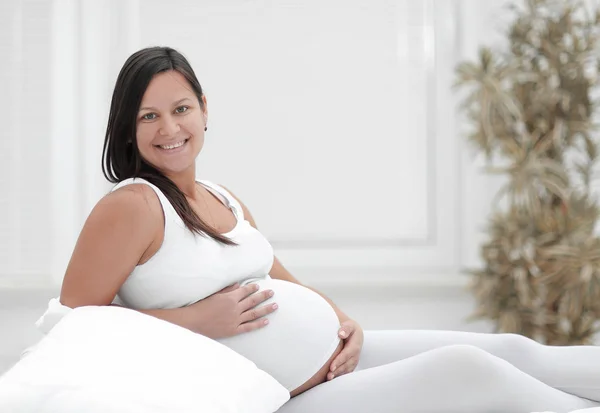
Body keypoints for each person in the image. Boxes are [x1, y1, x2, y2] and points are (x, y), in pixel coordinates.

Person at [56, 46, 600, 413]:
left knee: (514, 350)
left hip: (329, 361)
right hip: (279, 397)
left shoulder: (222, 196)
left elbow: (284, 281)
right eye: (148, 116)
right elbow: (75, 322)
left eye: (180, 108)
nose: (169, 128)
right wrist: (196, 321)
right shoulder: (133, 205)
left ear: (204, 110)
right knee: (472, 370)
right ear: (127, 127)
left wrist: (344, 322)